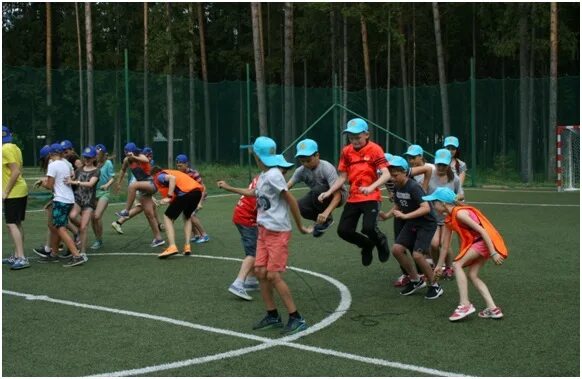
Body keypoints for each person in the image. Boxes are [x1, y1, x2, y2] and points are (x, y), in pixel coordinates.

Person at [218, 136, 312, 335]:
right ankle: (272, 315)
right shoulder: (263, 175)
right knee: (260, 272)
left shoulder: (274, 175)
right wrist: (230, 188)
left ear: (257, 156)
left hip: (278, 232)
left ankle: (297, 318)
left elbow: (291, 200)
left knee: (273, 275)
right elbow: (253, 194)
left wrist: (301, 226)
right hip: (263, 231)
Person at [421, 187, 508, 321]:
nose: (432, 206)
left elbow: (483, 231)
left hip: (483, 243)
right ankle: (493, 308)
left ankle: (465, 304)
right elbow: (444, 246)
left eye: (434, 202)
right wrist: (439, 266)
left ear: (443, 203)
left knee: (457, 265)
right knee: (472, 275)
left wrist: (493, 252)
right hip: (481, 244)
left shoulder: (460, 213)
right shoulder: (449, 219)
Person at [318, 118, 391, 266]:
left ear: (366, 135)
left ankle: (381, 240)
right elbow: (342, 176)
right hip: (354, 197)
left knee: (369, 228)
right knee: (343, 231)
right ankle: (366, 245)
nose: (354, 141)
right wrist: (329, 191)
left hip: (371, 196)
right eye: (351, 138)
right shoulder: (346, 151)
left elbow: (386, 174)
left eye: (357, 137)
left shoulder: (375, 149)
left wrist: (371, 187)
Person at [387, 155, 443, 299]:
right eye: (391, 175)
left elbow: (426, 208)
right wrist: (386, 215)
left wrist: (405, 216)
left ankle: (435, 286)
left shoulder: (413, 187)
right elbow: (399, 204)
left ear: (405, 172)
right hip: (413, 222)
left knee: (417, 255)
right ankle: (415, 280)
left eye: (395, 175)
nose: (392, 178)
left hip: (426, 223)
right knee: (397, 250)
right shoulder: (397, 186)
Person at [36, 143, 85, 267]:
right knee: (55, 225)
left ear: (51, 154)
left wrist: (42, 183)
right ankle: (54, 253)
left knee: (60, 229)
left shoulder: (53, 165)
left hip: (61, 200)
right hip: (69, 199)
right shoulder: (65, 164)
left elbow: (50, 185)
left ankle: (76, 255)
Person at [287, 139, 347, 237]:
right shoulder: (300, 171)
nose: (305, 164)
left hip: (338, 196)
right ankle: (324, 222)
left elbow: (338, 195)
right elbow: (286, 187)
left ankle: (326, 217)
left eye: (308, 160)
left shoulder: (326, 167)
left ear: (317, 155)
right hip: (318, 196)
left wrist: (326, 212)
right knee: (300, 207)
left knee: (316, 191)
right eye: (302, 161)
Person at [217, 174, 260, 301]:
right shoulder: (269, 179)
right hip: (247, 218)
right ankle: (239, 283)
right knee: (253, 253)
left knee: (255, 249)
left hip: (242, 215)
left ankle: (251, 280)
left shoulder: (263, 175)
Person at [113, 142, 164, 247]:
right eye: (126, 153)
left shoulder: (140, 156)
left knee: (133, 186)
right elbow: (122, 170)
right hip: (143, 188)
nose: (128, 155)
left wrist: (135, 156)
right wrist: (118, 183)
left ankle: (126, 211)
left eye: (130, 153)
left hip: (152, 183)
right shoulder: (126, 160)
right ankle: (158, 239)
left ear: (134, 152)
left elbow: (145, 160)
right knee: (149, 214)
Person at [427, 148, 464, 280]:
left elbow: (460, 195)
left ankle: (448, 267)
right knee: (433, 244)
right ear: (435, 163)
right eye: (438, 164)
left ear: (449, 163)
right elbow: (423, 193)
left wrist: (455, 199)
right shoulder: (429, 175)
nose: (441, 167)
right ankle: (437, 266)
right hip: (432, 217)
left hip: (448, 217)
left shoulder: (455, 179)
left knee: (445, 245)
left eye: (444, 164)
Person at [152, 167, 204, 258]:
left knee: (167, 217)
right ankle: (187, 246)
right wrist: (164, 201)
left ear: (154, 174)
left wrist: (168, 196)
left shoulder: (160, 176)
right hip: (197, 193)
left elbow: (172, 179)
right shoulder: (173, 172)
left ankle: (172, 246)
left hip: (186, 194)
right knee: (187, 217)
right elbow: (176, 200)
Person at [2, 126, 30, 270]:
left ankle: (21, 258)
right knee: (16, 223)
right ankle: (17, 255)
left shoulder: (4, 149)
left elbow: (15, 171)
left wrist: (5, 191)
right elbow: (20, 170)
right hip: (19, 189)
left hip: (14, 192)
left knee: (11, 224)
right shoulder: (15, 147)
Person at [67, 146, 100, 260]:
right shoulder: (79, 170)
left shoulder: (96, 171)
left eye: (89, 158)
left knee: (84, 227)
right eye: (85, 157)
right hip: (78, 200)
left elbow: (91, 184)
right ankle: (78, 232)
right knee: (71, 216)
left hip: (88, 203)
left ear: (94, 158)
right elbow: (71, 178)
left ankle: (83, 252)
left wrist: (76, 182)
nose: (87, 160)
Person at [175, 154, 210, 244]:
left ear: (186, 164)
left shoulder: (194, 174)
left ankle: (204, 235)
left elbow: (203, 189)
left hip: (198, 196)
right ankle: (196, 235)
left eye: (181, 165)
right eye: (177, 165)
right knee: (185, 216)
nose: (179, 167)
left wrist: (200, 203)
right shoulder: (178, 174)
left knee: (191, 215)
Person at [90, 144, 115, 250]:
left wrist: (107, 185)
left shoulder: (108, 163)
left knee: (97, 216)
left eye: (99, 153)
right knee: (93, 218)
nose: (97, 155)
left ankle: (99, 240)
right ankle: (98, 239)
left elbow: (112, 178)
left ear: (104, 154)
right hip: (92, 193)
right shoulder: (93, 163)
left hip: (104, 193)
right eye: (96, 153)